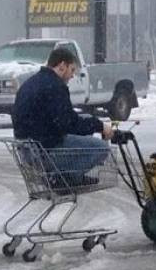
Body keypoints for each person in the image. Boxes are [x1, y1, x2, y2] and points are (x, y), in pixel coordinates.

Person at [12, 47, 113, 187]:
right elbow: (67, 124)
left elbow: (60, 117)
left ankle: (67, 177)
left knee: (84, 132)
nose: (72, 76)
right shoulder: (55, 86)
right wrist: (100, 126)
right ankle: (64, 179)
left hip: (27, 149)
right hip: (44, 151)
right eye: (72, 70)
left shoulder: (31, 83)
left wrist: (89, 124)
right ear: (62, 66)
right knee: (101, 148)